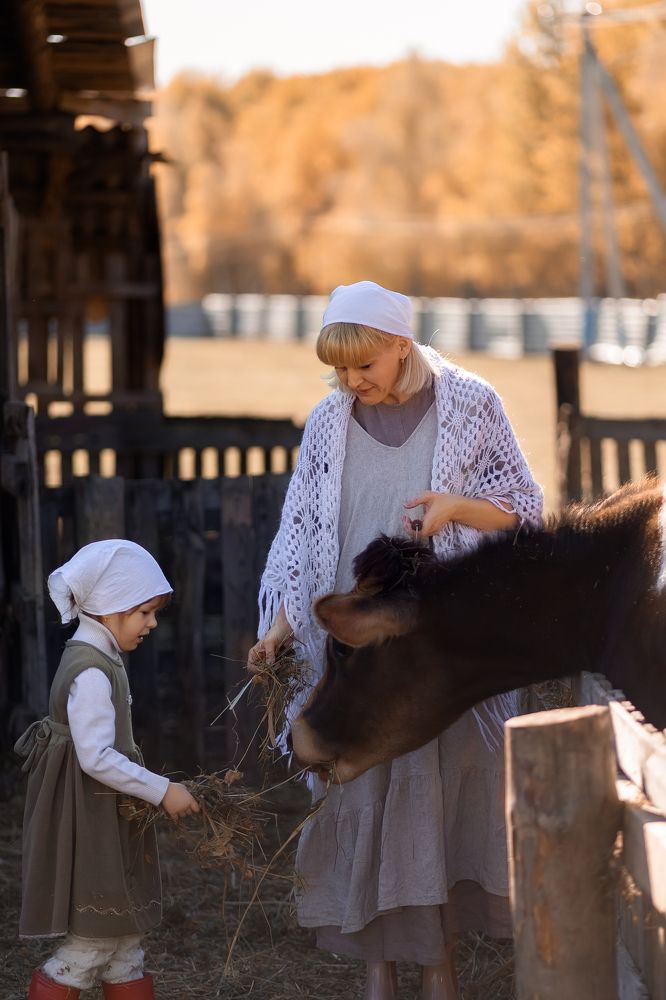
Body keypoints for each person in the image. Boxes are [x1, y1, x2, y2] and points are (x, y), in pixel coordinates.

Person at [247, 280, 543, 1000]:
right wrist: (282, 626)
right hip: (357, 662)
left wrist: (456, 508)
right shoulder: (327, 422)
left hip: (438, 662)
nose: (352, 381)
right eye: (340, 368)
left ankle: (440, 974)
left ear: (399, 345)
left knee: (436, 809)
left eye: (364, 366)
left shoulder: (471, 403)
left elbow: (526, 513)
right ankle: (379, 975)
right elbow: (302, 537)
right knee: (369, 808)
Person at [14, 539, 199, 1000]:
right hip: (88, 814)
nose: (152, 623)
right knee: (92, 943)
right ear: (109, 609)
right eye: (143, 612)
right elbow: (95, 757)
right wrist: (162, 790)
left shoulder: (101, 654)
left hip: (104, 810)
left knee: (125, 944)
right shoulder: (91, 671)